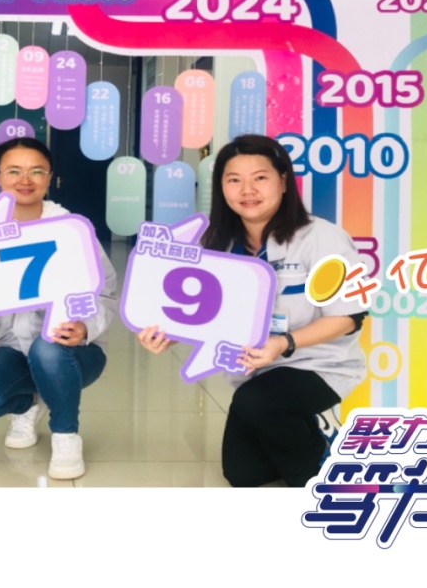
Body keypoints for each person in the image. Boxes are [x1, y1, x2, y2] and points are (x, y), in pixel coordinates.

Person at [136, 134, 367, 487]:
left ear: (283, 182)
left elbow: (349, 318)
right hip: (256, 373)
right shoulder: (216, 244)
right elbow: (203, 314)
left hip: (318, 365)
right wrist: (169, 334)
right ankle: (305, 427)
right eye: (234, 180)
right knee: (243, 475)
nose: (247, 190)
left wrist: (283, 343)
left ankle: (323, 469)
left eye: (260, 177)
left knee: (258, 405)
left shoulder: (322, 238)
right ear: (221, 188)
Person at [0, 137, 117, 480]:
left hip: (72, 352)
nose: (25, 180)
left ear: (49, 177)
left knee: (47, 348)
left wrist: (85, 327)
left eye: (36, 171)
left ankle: (65, 435)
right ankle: (28, 403)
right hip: (14, 351)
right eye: (14, 171)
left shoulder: (72, 230)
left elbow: (107, 292)